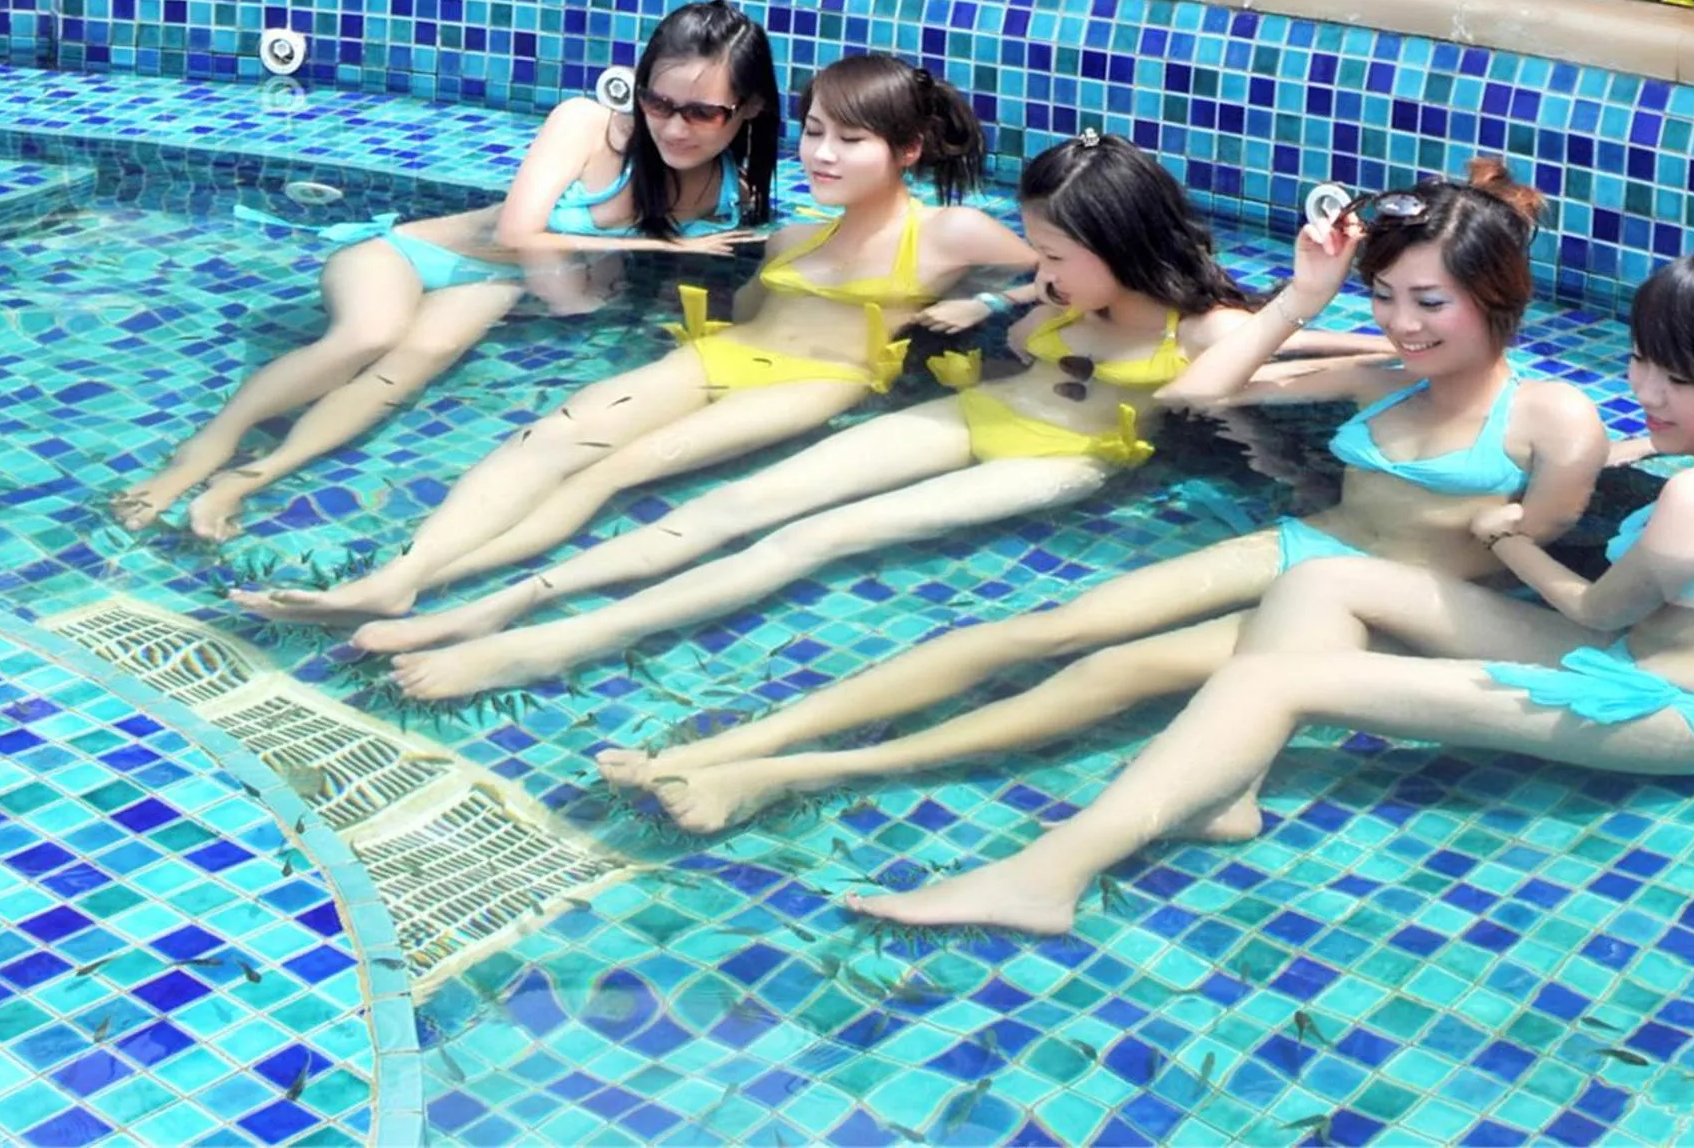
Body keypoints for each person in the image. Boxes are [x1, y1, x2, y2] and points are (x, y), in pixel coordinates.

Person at [850, 214, 1694, 933]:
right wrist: (1650, 449)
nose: (1645, 394)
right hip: (1635, 656)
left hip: (1664, 709)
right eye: (1642, 364)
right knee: (1324, 581)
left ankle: (1046, 876)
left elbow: (1589, 603)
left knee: (1272, 674)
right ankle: (1227, 786)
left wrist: (1508, 538)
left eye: (1677, 382)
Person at [600, 161, 1608, 832]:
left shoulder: (1554, 419)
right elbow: (1198, 391)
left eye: (1426, 301)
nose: (1400, 324)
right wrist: (1305, 298)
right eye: (1382, 298)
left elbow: (1546, 541)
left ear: (1498, 296)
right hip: (1309, 547)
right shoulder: (1384, 376)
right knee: (1040, 628)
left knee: (1109, 671)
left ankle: (787, 777)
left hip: (1388, 607)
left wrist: (1511, 530)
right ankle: (739, 741)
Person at [341, 133, 1389, 701]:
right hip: (984, 411)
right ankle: (495, 601)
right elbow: (1036, 293)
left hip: (1065, 455)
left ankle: (549, 648)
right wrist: (1001, 298)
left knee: (817, 535)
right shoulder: (1061, 290)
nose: (1042, 269)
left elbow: (1289, 362)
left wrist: (1333, 315)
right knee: (738, 505)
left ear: (1120, 245)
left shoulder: (1205, 328)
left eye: (1055, 255)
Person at [230, 52, 1037, 620]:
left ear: (908, 150)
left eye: (850, 140)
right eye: (816, 130)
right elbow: (744, 313)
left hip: (818, 380)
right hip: (723, 354)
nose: (822, 153)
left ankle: (433, 580)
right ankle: (399, 575)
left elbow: (1074, 272)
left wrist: (987, 309)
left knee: (621, 466)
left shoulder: (953, 233)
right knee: (550, 436)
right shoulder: (796, 237)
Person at [109, 0, 783, 541]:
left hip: (493, 288)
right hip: (403, 257)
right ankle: (207, 446)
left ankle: (253, 476)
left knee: (415, 361)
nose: (673, 125)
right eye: (658, 102)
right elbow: (523, 233)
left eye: (702, 112)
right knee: (369, 338)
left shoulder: (731, 197)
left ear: (748, 109)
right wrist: (661, 253)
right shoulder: (585, 124)